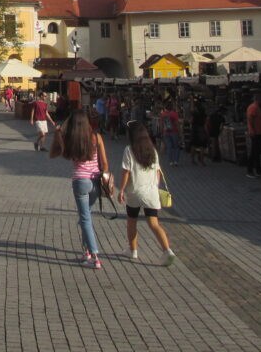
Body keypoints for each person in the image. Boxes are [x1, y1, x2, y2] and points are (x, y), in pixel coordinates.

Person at [51, 109, 109, 270]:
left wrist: (57, 134)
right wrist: (105, 177)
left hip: (80, 181)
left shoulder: (70, 139)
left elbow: (54, 153)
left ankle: (95, 257)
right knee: (86, 217)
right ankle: (87, 252)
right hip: (95, 181)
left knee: (84, 218)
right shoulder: (97, 137)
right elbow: (105, 163)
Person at [118, 122, 176, 266]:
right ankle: (167, 250)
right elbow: (157, 172)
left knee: (132, 221)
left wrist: (121, 189)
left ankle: (133, 250)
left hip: (135, 192)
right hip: (151, 193)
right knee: (154, 224)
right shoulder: (152, 150)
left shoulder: (129, 150)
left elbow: (126, 172)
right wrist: (155, 186)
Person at [246, 93, 261, 178]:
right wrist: (252, 130)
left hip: (258, 132)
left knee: (257, 152)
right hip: (255, 132)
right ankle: (250, 170)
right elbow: (250, 120)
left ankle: (258, 169)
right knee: (254, 152)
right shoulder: (253, 107)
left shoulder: (256, 107)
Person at [159, 102, 180, 166]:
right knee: (176, 147)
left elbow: (161, 124)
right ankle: (176, 161)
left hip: (166, 132)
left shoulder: (163, 114)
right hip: (174, 132)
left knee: (169, 147)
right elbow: (177, 124)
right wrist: (179, 132)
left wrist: (161, 132)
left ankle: (170, 161)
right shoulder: (174, 114)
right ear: (172, 107)